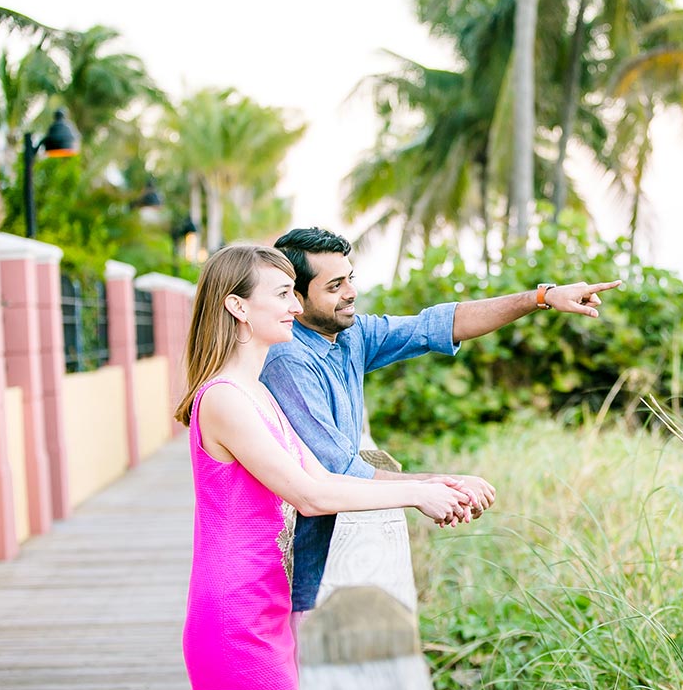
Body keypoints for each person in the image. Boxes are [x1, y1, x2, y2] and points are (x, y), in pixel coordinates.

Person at [260, 227, 622, 616]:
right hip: (285, 573)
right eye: (334, 286)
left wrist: (541, 297)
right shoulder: (289, 361)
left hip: (324, 568)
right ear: (296, 298)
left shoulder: (348, 334)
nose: (350, 292)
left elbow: (436, 325)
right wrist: (436, 486)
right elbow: (338, 472)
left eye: (351, 278)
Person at [174, 244, 475, 690]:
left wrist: (436, 483)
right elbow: (310, 497)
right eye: (281, 294)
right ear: (237, 306)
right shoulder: (223, 399)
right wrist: (418, 495)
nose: (295, 306)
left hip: (267, 603)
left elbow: (328, 478)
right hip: (235, 615)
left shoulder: (256, 393)